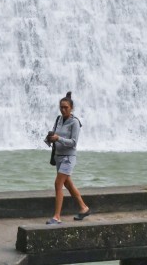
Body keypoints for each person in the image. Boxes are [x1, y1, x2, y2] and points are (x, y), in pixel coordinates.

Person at [45, 91, 91, 224]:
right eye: (61, 107)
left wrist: (58, 138)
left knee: (58, 184)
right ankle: (83, 207)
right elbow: (54, 134)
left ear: (71, 108)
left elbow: (74, 142)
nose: (63, 109)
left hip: (68, 158)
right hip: (59, 156)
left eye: (66, 107)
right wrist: (50, 139)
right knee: (68, 184)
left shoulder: (75, 122)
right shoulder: (58, 119)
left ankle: (57, 217)